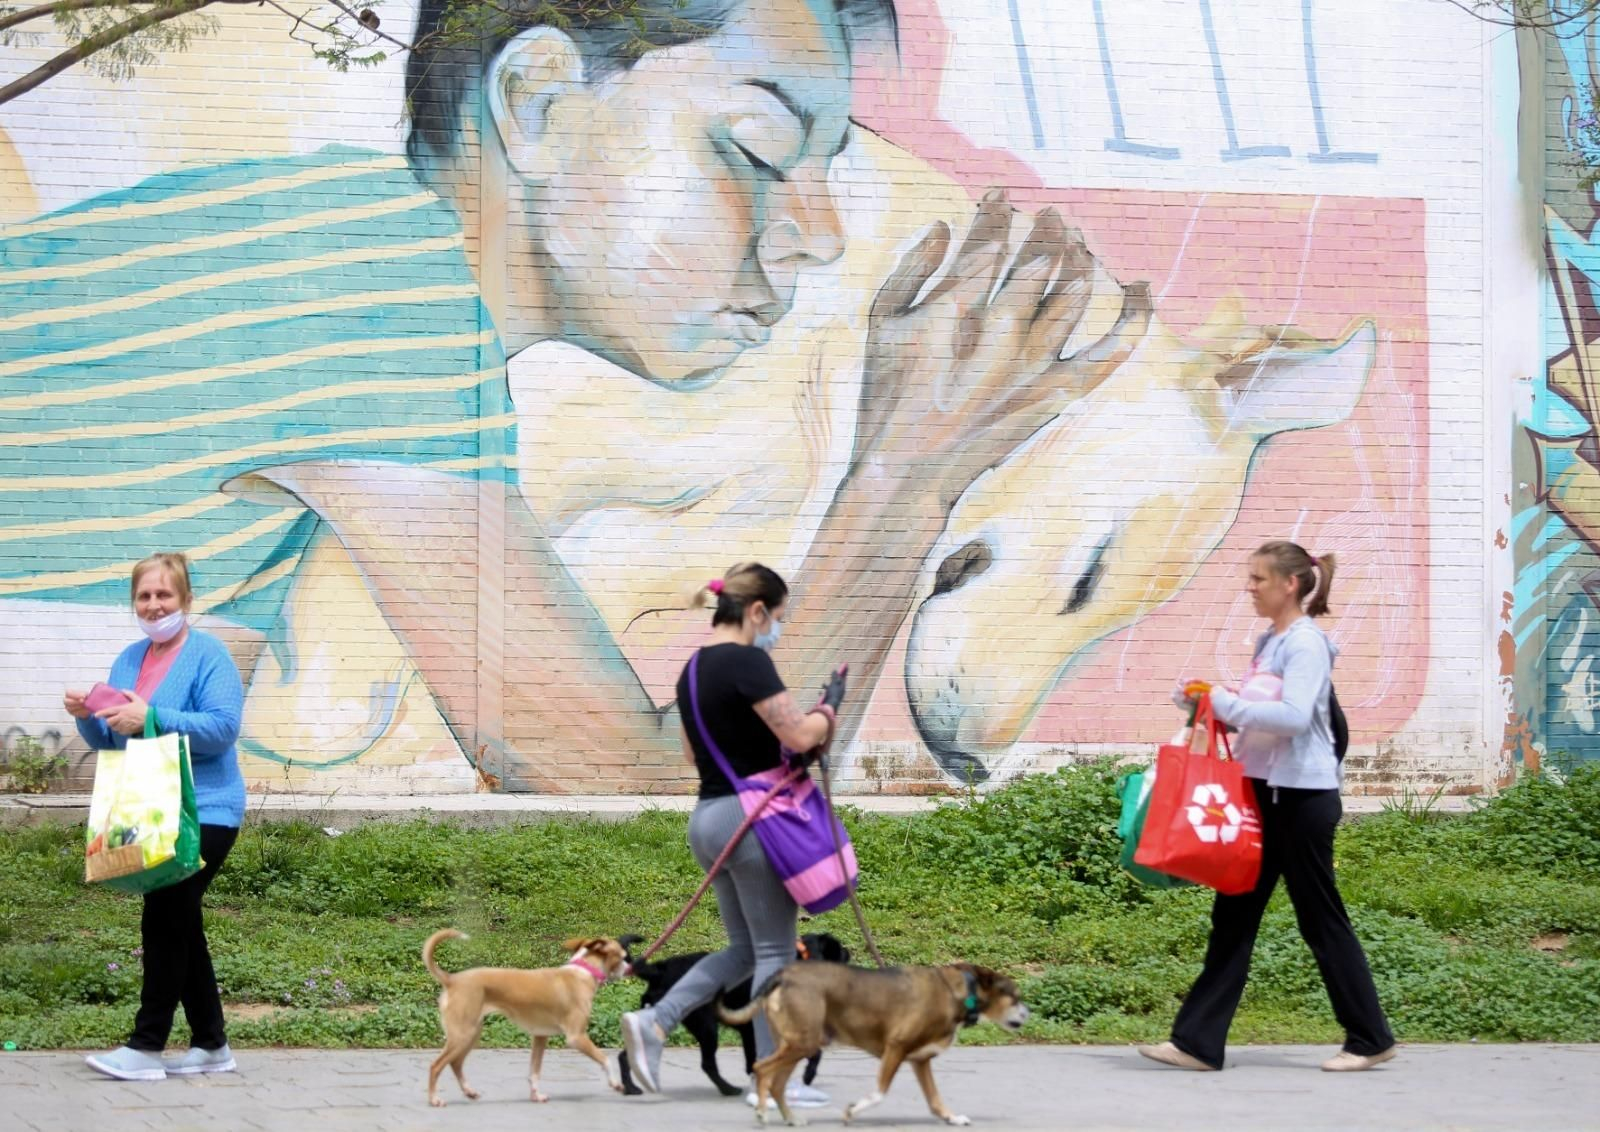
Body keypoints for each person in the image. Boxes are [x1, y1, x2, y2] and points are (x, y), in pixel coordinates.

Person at [1139, 541, 1396, 1073]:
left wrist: (1227, 702)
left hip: (1301, 801)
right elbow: (1257, 718)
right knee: (1232, 916)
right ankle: (1196, 1044)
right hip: (1261, 793)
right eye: (1249, 577)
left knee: (1320, 919)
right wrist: (1203, 704)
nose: (1249, 587)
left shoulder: (1306, 644)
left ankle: (1370, 1038)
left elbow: (1294, 718)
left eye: (1258, 578)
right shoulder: (1269, 640)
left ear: (1291, 584)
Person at [620, 562, 844, 1109]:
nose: (778, 629)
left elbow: (693, 754)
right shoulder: (749, 661)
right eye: (779, 618)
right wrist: (829, 706)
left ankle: (654, 1021)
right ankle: (770, 1082)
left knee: (744, 949)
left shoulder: (691, 670)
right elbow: (796, 731)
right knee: (773, 951)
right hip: (753, 820)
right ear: (757, 611)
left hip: (710, 816)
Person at [64, 553, 246, 1082]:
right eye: (144, 596)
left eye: (164, 595)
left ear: (185, 600)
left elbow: (222, 729)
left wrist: (154, 716)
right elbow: (114, 738)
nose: (153, 604)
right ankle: (212, 1045)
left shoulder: (210, 655)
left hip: (206, 808)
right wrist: (89, 718)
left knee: (165, 912)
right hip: (149, 803)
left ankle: (146, 1048)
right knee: (180, 918)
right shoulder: (129, 658)